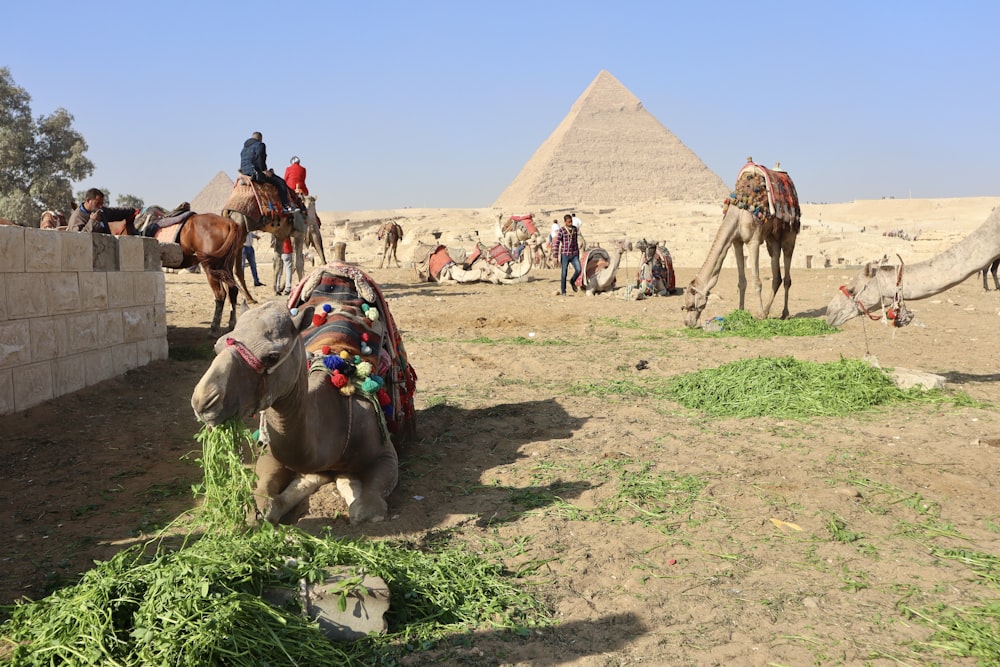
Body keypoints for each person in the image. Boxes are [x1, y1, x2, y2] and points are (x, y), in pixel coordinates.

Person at [240, 132, 297, 212]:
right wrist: (263, 170)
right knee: (281, 182)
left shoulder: (244, 149)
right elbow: (260, 157)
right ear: (260, 138)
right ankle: (286, 206)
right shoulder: (260, 145)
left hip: (245, 174)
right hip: (256, 174)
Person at [67, 189, 137, 234]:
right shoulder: (77, 217)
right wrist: (92, 221)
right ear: (88, 201)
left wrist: (134, 211)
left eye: (101, 204)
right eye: (97, 203)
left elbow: (117, 213)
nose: (100, 207)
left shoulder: (101, 212)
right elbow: (79, 238)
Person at [552, 214, 582, 296]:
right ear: (565, 222)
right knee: (564, 273)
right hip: (565, 254)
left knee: (579, 269)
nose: (570, 223)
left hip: (574, 254)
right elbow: (557, 243)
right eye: (568, 222)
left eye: (571, 221)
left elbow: (575, 242)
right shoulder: (561, 230)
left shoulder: (574, 229)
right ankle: (563, 291)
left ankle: (572, 281)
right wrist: (555, 257)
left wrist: (577, 253)